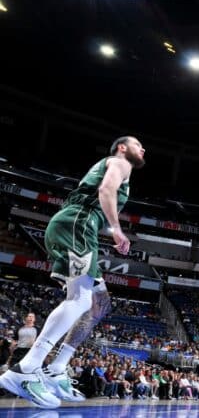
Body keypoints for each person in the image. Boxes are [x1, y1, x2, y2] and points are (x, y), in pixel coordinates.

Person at [0, 136, 145, 409]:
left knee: (99, 304)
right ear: (122, 147)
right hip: (76, 225)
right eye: (138, 144)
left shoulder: (115, 165)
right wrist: (116, 229)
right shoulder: (119, 162)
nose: (143, 149)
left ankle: (57, 368)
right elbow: (105, 190)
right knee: (78, 299)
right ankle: (26, 368)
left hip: (76, 226)